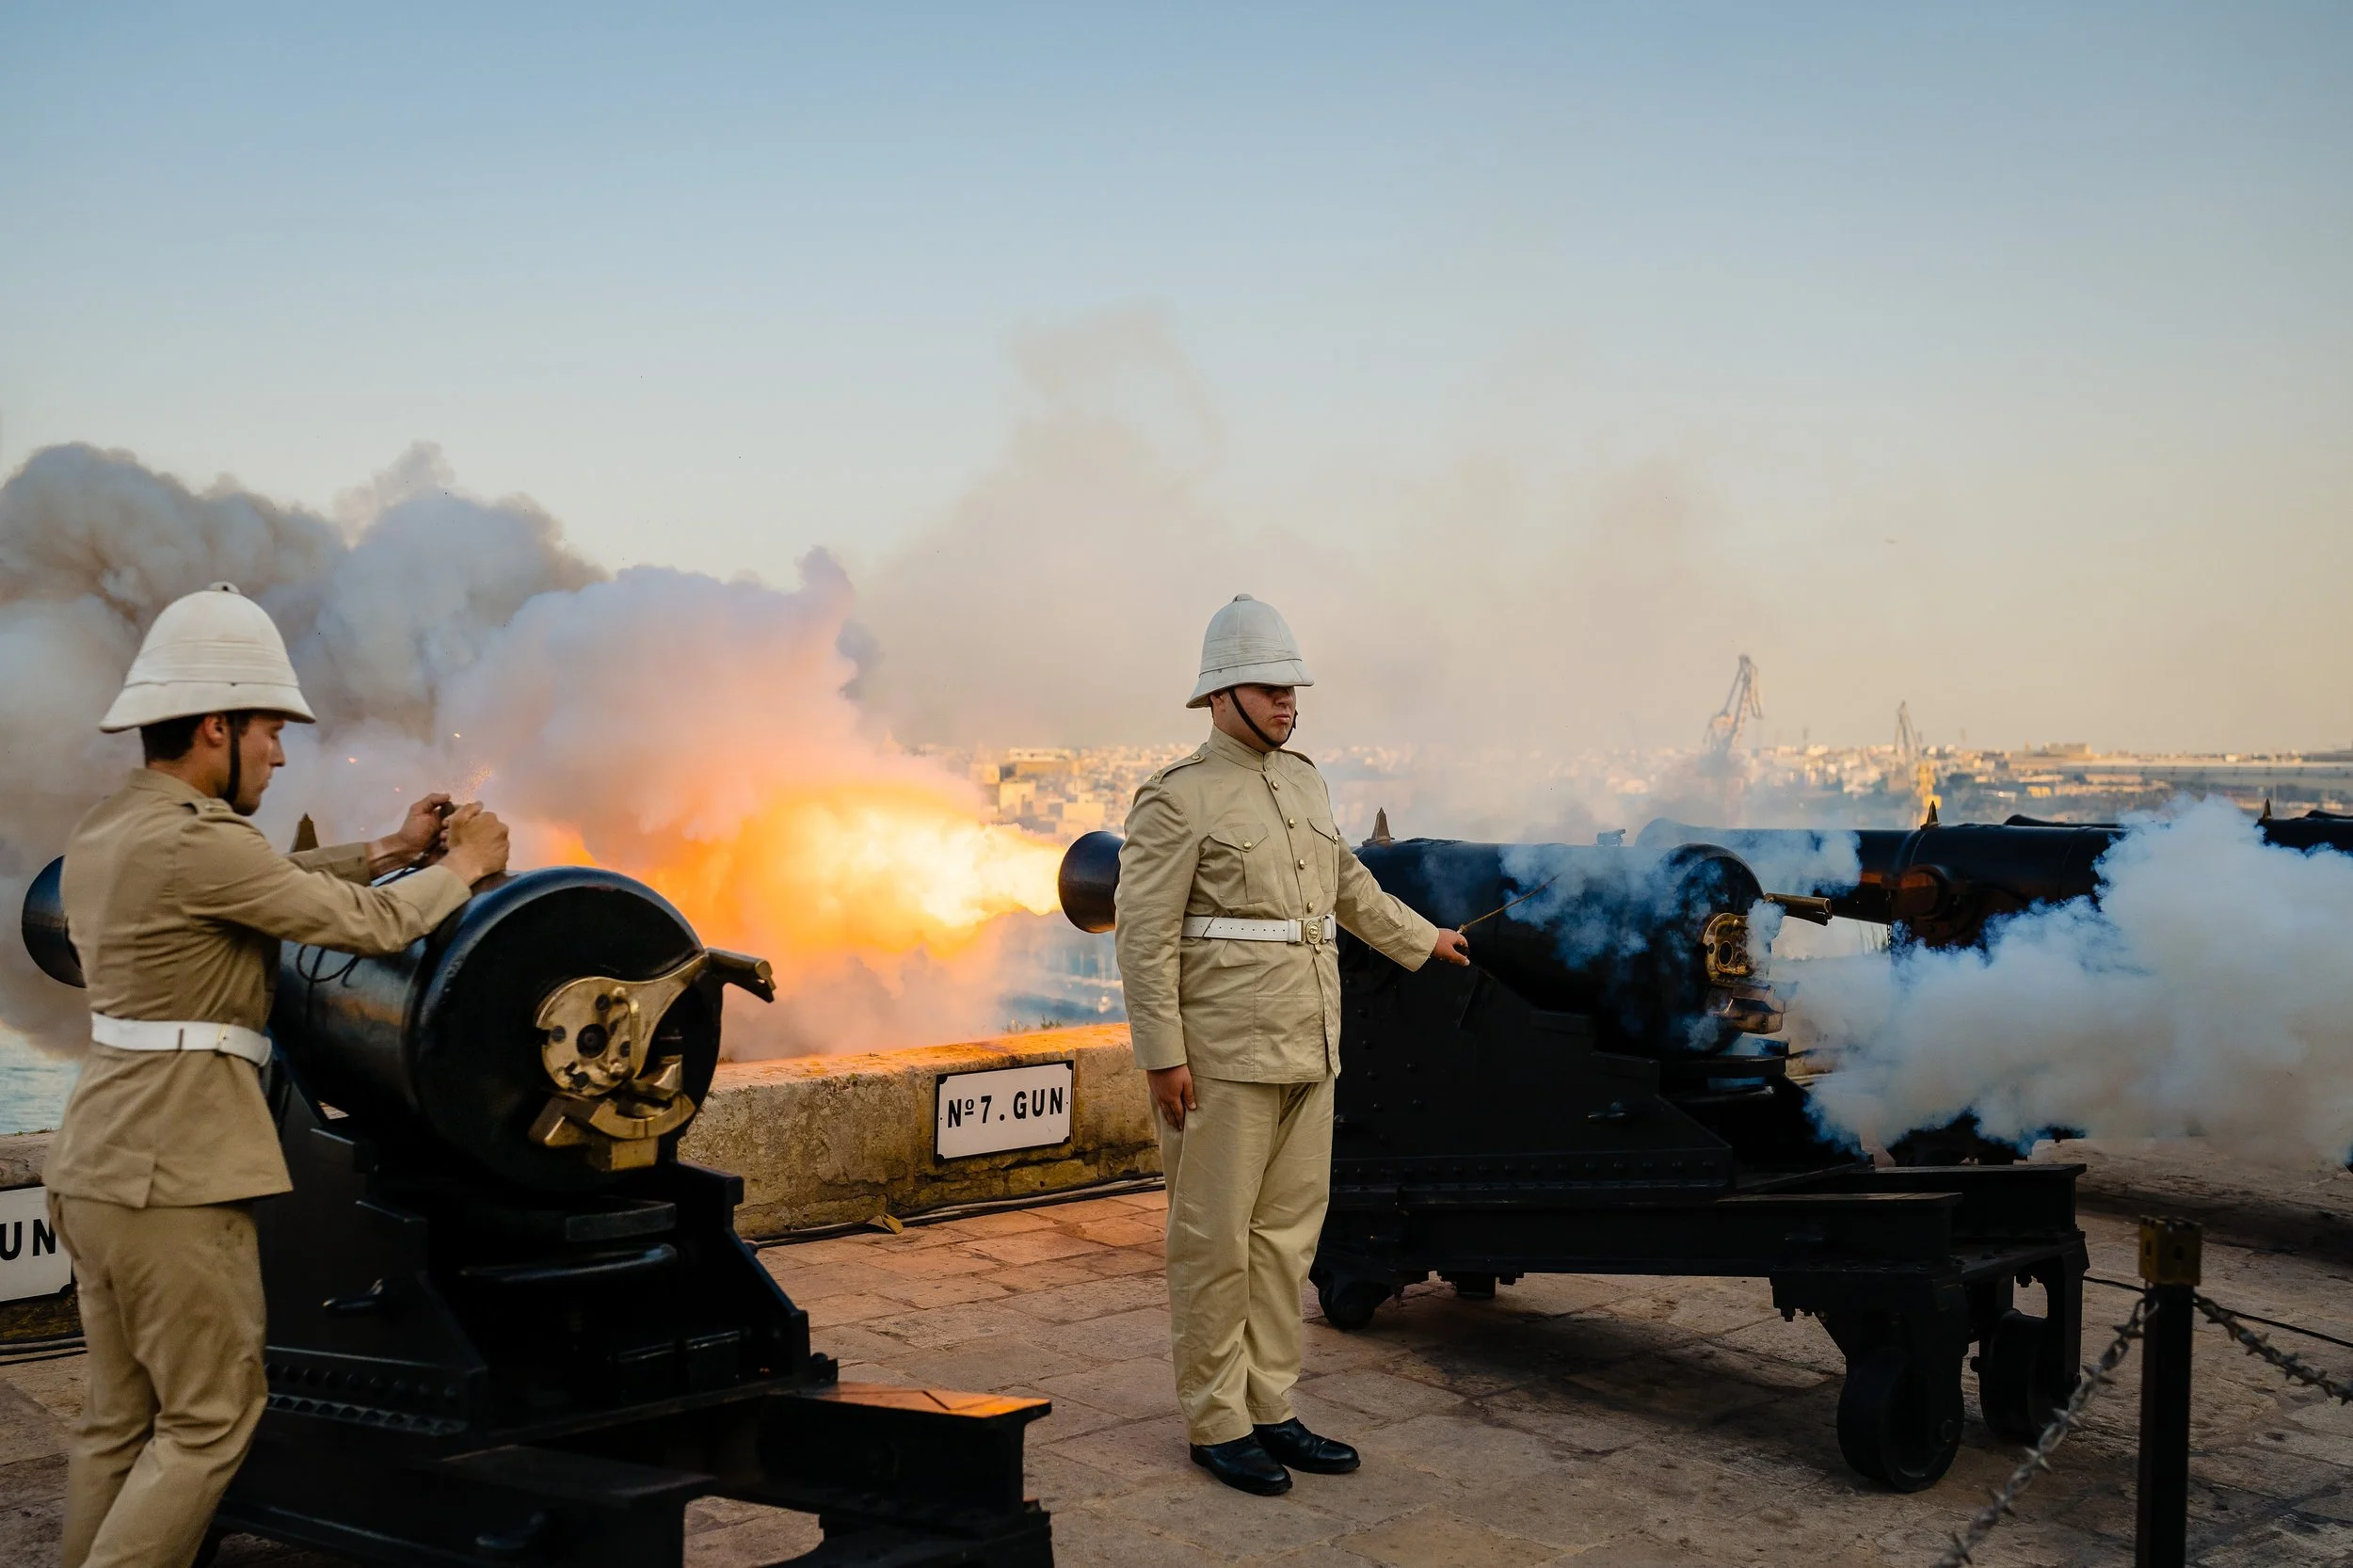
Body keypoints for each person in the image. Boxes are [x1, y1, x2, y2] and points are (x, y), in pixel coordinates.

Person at [41, 583, 511, 1568]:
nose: (281, 754)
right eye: (269, 731)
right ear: (215, 725)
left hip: (96, 1162)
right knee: (213, 1419)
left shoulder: (112, 829)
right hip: (175, 1172)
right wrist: (461, 865)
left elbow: (269, 885)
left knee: (117, 1421)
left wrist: (391, 846)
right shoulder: (195, 839)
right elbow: (372, 925)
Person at [1115, 594, 1472, 1496]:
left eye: (1293, 691)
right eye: (1271, 691)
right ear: (1222, 696)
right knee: (1213, 1244)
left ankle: (1271, 1406)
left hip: (1310, 1046)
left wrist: (1419, 939)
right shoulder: (1176, 800)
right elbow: (1144, 935)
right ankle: (1217, 1421)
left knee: (1283, 1241)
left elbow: (1345, 884)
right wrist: (1163, 1054)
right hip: (1223, 1056)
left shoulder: (1306, 782)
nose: (1288, 706)